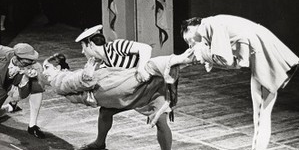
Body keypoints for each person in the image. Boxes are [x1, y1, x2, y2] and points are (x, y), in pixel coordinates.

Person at [181, 14, 299, 150]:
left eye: (188, 40)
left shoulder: (210, 25)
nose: (191, 44)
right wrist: (208, 56)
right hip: (262, 54)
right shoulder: (214, 24)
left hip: (264, 56)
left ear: (191, 28)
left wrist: (205, 55)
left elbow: (228, 60)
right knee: (259, 119)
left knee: (261, 119)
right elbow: (235, 62)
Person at [74, 25, 181, 150]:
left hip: (151, 88)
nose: (82, 52)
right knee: (105, 111)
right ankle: (99, 142)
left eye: (83, 47)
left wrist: (141, 68)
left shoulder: (116, 46)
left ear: (90, 45)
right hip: (130, 93)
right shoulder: (102, 64)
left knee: (161, 121)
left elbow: (144, 48)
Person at [43, 52, 191, 126]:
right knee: (146, 71)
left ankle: (182, 61)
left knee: (143, 78)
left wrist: (87, 74)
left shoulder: (60, 77)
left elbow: (73, 82)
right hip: (103, 89)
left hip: (104, 86)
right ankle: (185, 59)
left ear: (58, 67)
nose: (44, 72)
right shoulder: (57, 81)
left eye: (47, 68)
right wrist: (85, 75)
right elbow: (71, 82)